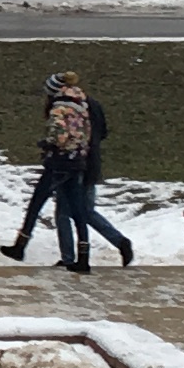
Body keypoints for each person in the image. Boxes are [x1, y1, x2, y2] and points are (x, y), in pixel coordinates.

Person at [0, 72, 85, 262]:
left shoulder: (59, 108)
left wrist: (47, 143)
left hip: (58, 163)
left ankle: (20, 246)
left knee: (36, 204)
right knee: (78, 210)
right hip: (77, 161)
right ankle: (83, 255)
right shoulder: (81, 104)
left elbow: (59, 137)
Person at [56, 75, 132, 272]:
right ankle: (120, 242)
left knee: (64, 212)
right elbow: (104, 132)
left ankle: (68, 258)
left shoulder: (66, 108)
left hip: (72, 163)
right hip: (92, 163)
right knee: (86, 211)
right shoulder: (93, 104)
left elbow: (61, 137)